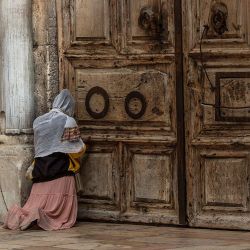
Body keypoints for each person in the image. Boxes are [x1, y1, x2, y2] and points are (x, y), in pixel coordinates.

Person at [3, 89, 86, 231]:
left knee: (32, 205)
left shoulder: (39, 121)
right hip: (61, 171)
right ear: (68, 106)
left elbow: (41, 147)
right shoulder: (68, 120)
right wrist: (84, 145)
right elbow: (75, 148)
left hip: (40, 170)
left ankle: (24, 215)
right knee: (57, 214)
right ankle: (39, 215)